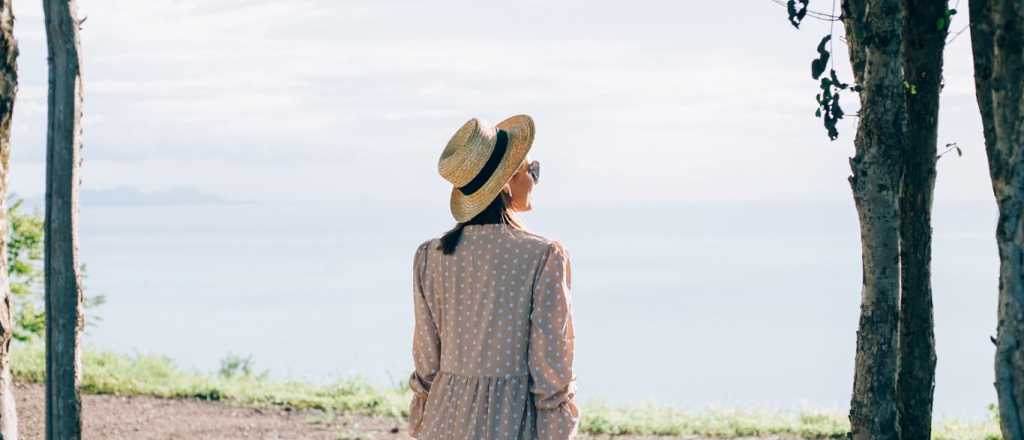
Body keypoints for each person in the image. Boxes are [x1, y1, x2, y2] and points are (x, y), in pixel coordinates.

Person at [407, 114, 580, 439]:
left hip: (443, 420)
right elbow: (551, 367)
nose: (535, 179)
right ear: (506, 182)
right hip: (511, 420)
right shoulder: (542, 256)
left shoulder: (431, 256)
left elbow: (427, 362)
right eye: (532, 170)